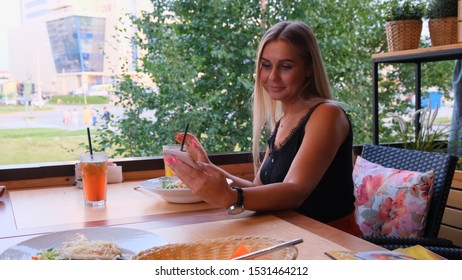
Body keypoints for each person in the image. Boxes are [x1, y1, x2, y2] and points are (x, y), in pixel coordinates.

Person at [165, 21, 361, 237]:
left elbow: (295, 191)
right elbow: (258, 188)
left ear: (308, 69)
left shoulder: (326, 114)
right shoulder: (283, 121)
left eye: (285, 66)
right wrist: (207, 166)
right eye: (266, 65)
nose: (272, 77)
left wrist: (231, 197)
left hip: (334, 243)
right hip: (290, 235)